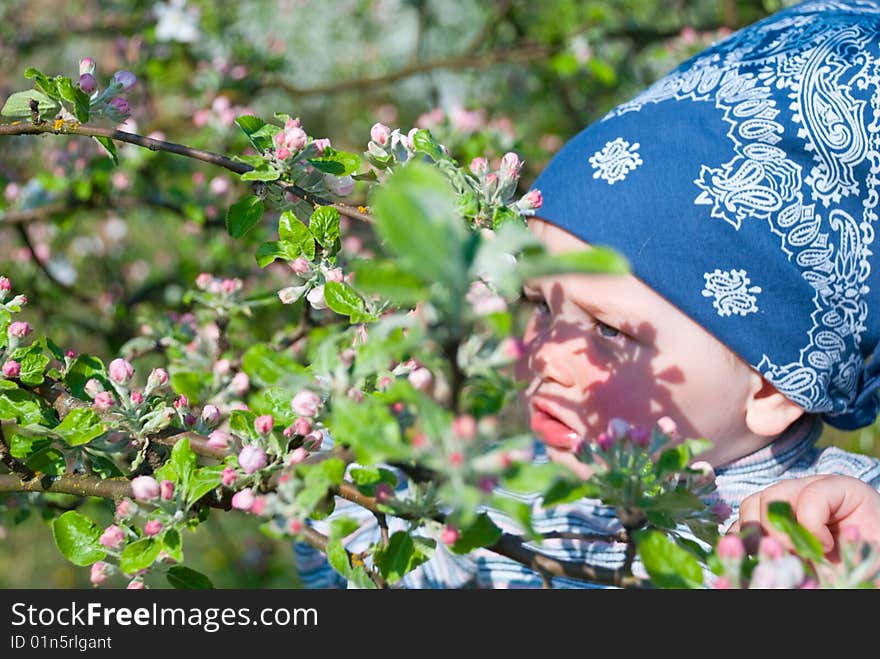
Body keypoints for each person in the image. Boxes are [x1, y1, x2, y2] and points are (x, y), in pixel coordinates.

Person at [295, 0, 880, 587]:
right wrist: (326, 481)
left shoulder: (835, 519)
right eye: (540, 305)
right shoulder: (488, 493)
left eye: (608, 329)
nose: (544, 354)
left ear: (773, 386)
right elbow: (348, 579)